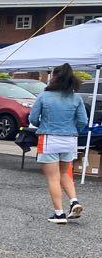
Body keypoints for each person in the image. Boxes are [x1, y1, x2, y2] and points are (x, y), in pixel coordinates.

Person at [28, 62, 88, 223]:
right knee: (64, 173)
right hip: (70, 139)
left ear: (54, 77)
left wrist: (42, 124)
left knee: (53, 178)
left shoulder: (44, 96)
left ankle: (59, 214)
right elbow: (83, 121)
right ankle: (74, 201)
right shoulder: (76, 98)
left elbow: (33, 118)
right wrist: (72, 129)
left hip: (49, 138)